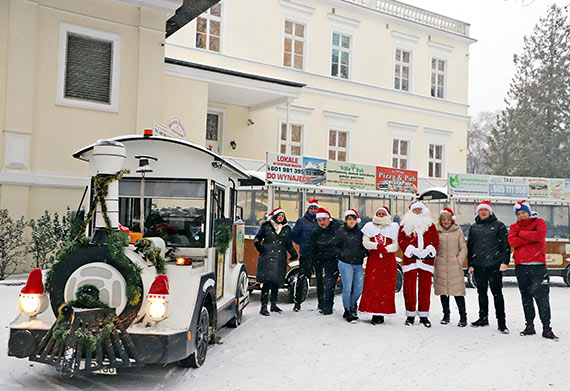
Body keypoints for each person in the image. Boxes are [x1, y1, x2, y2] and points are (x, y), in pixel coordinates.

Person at [508, 200, 558, 340]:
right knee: (526, 297)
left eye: (523, 212)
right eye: (519, 214)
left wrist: (521, 234)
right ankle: (529, 325)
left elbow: (540, 236)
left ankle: (547, 327)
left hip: (538, 266)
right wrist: (530, 236)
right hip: (521, 266)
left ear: (528, 212)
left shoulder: (539, 222)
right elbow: (512, 241)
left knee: (542, 297)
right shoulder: (513, 226)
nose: (521, 216)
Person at [467, 200, 511, 334]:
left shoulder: (499, 226)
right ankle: (483, 318)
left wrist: (505, 262)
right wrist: (470, 264)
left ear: (490, 211)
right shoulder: (474, 227)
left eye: (485, 210)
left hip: (495, 266)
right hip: (479, 266)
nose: (483, 212)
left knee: (497, 294)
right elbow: (471, 247)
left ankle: (502, 323)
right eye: (480, 210)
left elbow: (505, 246)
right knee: (481, 293)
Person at [398, 201, 439, 327]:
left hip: (426, 260)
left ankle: (423, 315)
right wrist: (412, 250)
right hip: (410, 260)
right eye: (415, 210)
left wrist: (429, 250)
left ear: (423, 210)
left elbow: (435, 240)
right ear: (411, 211)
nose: (417, 212)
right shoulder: (405, 225)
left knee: (425, 289)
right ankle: (410, 315)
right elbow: (401, 240)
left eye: (419, 210)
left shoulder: (430, 225)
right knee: (409, 288)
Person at [359, 206, 400, 325]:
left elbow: (396, 245)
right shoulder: (369, 227)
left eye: (383, 213)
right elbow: (365, 242)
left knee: (385, 288)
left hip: (388, 262)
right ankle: (374, 312)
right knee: (373, 287)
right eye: (379, 213)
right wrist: (377, 246)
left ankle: (382, 313)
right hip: (375, 261)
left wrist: (387, 249)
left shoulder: (393, 227)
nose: (381, 215)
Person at [254, 208, 298, 316]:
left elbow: (288, 244)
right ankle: (263, 307)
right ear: (275, 216)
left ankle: (273, 305)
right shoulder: (267, 226)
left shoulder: (286, 229)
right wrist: (258, 246)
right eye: (279, 215)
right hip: (267, 257)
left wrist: (294, 254)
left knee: (276, 282)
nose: (281, 217)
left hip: (280, 258)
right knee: (266, 282)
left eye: (283, 216)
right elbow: (258, 238)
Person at [434, 207, 468, 327]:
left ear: (452, 220)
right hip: (441, 265)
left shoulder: (458, 231)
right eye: (444, 219)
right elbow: (434, 247)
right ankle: (446, 315)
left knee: (458, 292)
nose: (446, 221)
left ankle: (463, 316)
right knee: (443, 292)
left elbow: (463, 248)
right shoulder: (436, 231)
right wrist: (436, 260)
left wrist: (459, 260)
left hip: (454, 265)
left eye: (448, 219)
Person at [306, 207, 341, 315]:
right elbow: (311, 248)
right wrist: (311, 262)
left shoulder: (338, 227)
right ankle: (327, 307)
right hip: (324, 260)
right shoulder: (315, 232)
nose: (321, 222)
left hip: (339, 258)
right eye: (319, 220)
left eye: (323, 220)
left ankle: (351, 308)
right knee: (328, 284)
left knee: (349, 286)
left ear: (328, 218)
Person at [334, 209, 367, 323]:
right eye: (349, 219)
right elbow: (335, 246)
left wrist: (363, 253)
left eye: (353, 219)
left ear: (356, 220)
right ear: (346, 220)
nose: (351, 221)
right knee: (347, 288)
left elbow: (364, 245)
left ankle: (353, 305)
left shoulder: (360, 232)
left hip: (358, 263)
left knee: (358, 288)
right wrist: (342, 254)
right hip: (345, 263)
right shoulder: (341, 231)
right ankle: (348, 310)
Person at [291, 198, 320, 312]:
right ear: (308, 209)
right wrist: (302, 243)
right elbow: (295, 235)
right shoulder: (301, 221)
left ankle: (322, 304)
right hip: (305, 254)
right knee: (302, 278)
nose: (313, 210)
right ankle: (297, 302)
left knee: (321, 280)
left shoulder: (321, 220)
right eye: (311, 208)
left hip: (319, 254)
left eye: (315, 208)